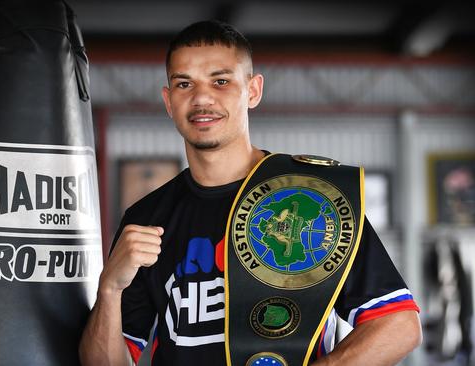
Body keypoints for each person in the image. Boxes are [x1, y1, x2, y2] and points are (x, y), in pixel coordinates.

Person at [79, 20, 422, 366]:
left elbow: (398, 324)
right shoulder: (145, 219)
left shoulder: (315, 198)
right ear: (169, 101)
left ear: (253, 90)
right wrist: (109, 289)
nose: (201, 98)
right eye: (184, 84)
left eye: (221, 81)